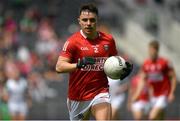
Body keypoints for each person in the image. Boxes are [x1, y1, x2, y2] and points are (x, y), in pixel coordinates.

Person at [55, 3, 133, 120]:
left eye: (92, 20)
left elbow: (113, 63)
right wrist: (78, 64)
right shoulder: (72, 42)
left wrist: (121, 71)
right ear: (79, 21)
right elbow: (59, 67)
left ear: (97, 20)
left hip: (100, 93)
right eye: (85, 20)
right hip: (78, 97)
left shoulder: (108, 40)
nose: (88, 23)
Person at [138, 40, 177, 120]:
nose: (150, 52)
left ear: (157, 50)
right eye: (149, 50)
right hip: (153, 95)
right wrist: (139, 92)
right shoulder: (146, 64)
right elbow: (143, 79)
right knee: (159, 118)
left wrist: (172, 92)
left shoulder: (165, 62)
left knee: (152, 116)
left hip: (164, 94)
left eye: (152, 50)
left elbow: (173, 77)